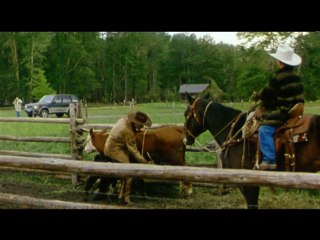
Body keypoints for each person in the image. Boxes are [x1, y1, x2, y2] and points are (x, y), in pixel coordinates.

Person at [254, 44, 304, 170]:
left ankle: (269, 160)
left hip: (284, 111)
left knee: (264, 130)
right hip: (295, 109)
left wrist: (256, 97)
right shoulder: (296, 76)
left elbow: (265, 93)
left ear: (280, 62)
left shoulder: (277, 77)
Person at [104, 111, 153, 204]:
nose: (142, 127)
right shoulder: (127, 131)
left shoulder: (123, 120)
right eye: (141, 125)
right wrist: (146, 163)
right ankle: (124, 198)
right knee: (128, 172)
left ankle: (120, 194)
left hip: (111, 145)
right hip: (114, 150)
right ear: (136, 123)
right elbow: (134, 152)